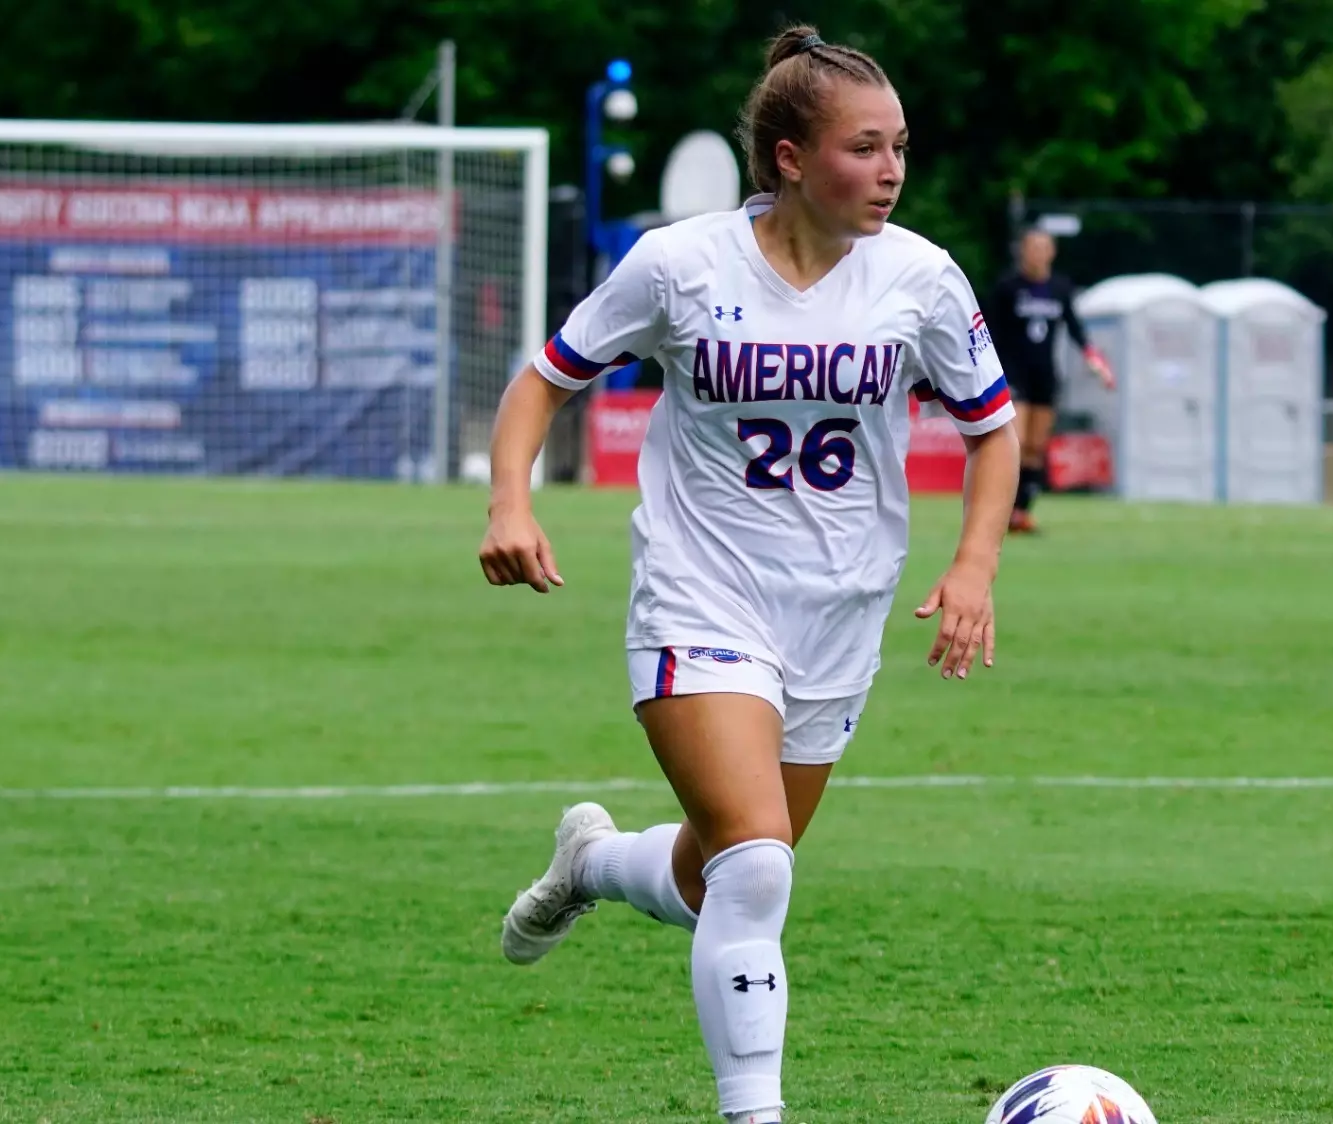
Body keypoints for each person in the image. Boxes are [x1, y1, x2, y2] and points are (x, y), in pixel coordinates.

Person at [476, 25, 1019, 1124]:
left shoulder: (919, 276)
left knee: (711, 874)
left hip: (839, 611)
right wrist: (509, 501)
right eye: (864, 148)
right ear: (787, 157)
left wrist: (972, 567)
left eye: (899, 146)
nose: (891, 170)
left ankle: (590, 863)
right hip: (699, 594)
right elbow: (544, 379)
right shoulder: (680, 265)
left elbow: (992, 427)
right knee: (759, 868)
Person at [983, 227, 1114, 533]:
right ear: (1023, 251)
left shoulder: (1060, 287)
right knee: (1015, 442)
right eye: (1032, 247)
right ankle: (999, 510)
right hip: (1013, 374)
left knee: (1035, 447)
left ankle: (1021, 512)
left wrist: (1095, 361)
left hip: (1045, 374)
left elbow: (1075, 327)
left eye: (1044, 247)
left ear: (1052, 252)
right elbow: (989, 332)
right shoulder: (1008, 287)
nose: (1038, 253)